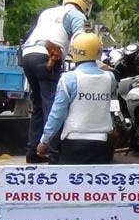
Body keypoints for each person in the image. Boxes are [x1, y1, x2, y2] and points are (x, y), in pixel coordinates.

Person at [22, 0, 92, 163]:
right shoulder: (78, 16)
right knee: (53, 106)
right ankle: (54, 154)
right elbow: (83, 41)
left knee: (38, 105)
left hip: (27, 55)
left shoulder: (47, 12)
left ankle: (32, 152)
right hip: (47, 58)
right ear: (85, 5)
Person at [37, 32, 116, 165]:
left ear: (74, 52)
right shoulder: (110, 78)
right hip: (103, 144)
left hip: (74, 144)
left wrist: (44, 141)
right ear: (98, 52)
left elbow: (57, 114)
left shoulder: (69, 79)